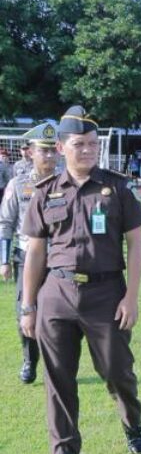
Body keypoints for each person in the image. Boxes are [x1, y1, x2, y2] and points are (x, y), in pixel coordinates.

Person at [19, 106, 141, 454]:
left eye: (93, 144)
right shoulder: (45, 192)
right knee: (57, 377)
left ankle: (133, 422)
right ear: (62, 147)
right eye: (80, 145)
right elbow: (36, 253)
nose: (89, 151)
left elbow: (136, 245)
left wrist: (132, 297)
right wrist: (29, 306)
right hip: (56, 293)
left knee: (116, 371)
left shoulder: (118, 187)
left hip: (106, 292)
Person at [0, 121, 59, 383]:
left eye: (51, 151)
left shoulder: (66, 182)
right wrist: (4, 260)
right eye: (42, 150)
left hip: (59, 258)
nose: (48, 156)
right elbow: (6, 223)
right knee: (27, 310)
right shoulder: (18, 183)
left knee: (59, 315)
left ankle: (55, 365)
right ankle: (29, 361)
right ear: (31, 152)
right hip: (27, 258)